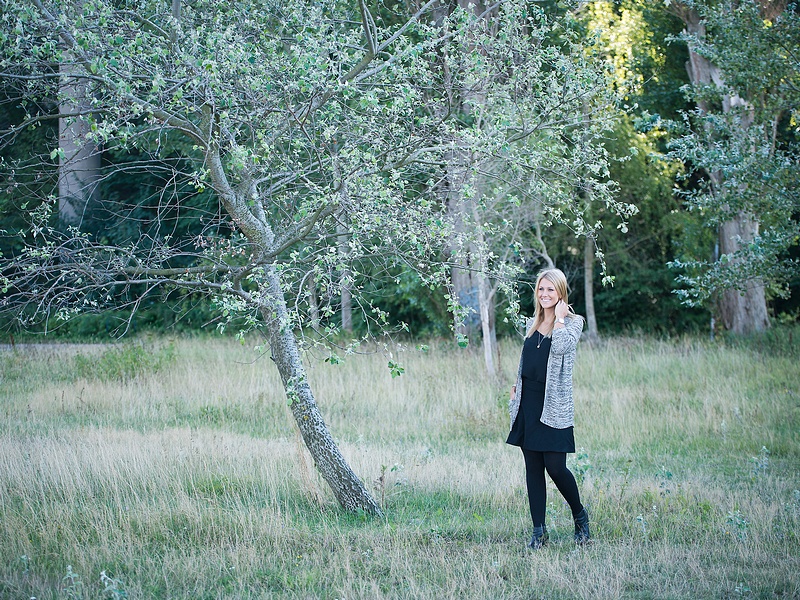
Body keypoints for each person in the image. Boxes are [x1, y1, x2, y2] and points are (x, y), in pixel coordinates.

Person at [506, 268, 590, 549]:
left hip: (553, 405)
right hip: (528, 403)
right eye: (541, 289)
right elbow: (528, 359)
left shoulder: (573, 322)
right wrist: (516, 387)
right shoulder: (533, 322)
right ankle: (539, 532)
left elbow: (561, 347)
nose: (544, 294)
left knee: (556, 467)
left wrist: (561, 319)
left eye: (550, 290)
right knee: (533, 468)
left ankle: (580, 515)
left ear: (561, 292)